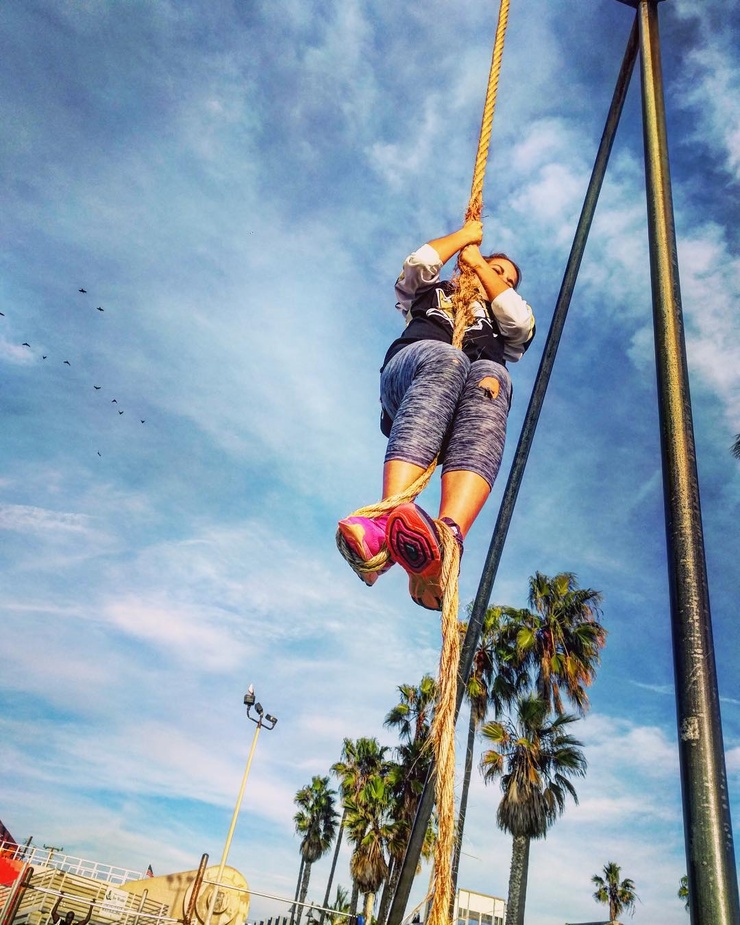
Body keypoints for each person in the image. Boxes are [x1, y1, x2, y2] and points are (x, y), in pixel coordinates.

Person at [338, 220, 535, 610]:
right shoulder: (432, 290)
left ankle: (445, 543)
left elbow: (521, 323)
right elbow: (420, 263)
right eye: (496, 270)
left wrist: (483, 267)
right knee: (449, 358)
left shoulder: (501, 322)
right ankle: (385, 521)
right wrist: (465, 241)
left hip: (464, 410)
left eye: (507, 280)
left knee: (492, 377)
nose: (500, 281)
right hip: (413, 379)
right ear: (463, 263)